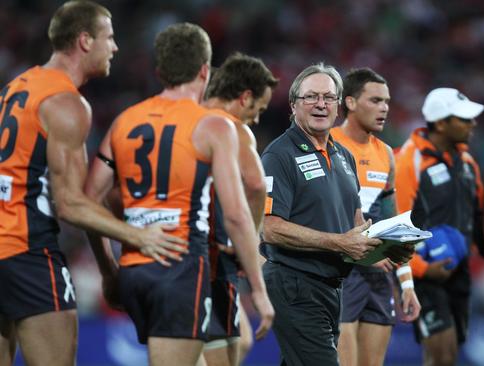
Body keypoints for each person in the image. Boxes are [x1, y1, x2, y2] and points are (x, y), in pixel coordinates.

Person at [0, 2, 186, 365]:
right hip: (27, 250)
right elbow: (70, 204)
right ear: (85, 40)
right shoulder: (66, 103)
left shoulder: (14, 88)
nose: (115, 47)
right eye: (109, 37)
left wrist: (107, 269)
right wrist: (139, 236)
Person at [83, 23, 273, 366]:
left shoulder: (125, 120)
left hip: (133, 271)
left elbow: (89, 200)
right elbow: (237, 212)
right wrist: (258, 288)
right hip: (181, 267)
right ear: (205, 70)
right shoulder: (214, 126)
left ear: (159, 71)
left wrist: (109, 268)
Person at [261, 63, 412, 365]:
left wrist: (385, 248)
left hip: (333, 287)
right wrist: (339, 243)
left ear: (339, 106)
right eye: (311, 97)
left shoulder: (344, 157)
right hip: (294, 283)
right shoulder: (279, 155)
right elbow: (269, 228)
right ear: (293, 105)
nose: (321, 104)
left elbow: (354, 224)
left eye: (329, 97)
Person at [331, 67, 420, 366]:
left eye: (387, 101)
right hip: (340, 272)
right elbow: (319, 213)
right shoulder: (325, 144)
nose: (384, 108)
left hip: (378, 274)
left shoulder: (386, 154)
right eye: (375, 100)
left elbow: (396, 226)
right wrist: (362, 249)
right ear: (350, 102)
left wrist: (406, 284)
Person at [395, 87, 484, 366]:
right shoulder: (409, 159)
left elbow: (479, 218)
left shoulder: (468, 163)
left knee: (449, 355)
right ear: (441, 123)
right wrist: (421, 269)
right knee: (441, 355)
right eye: (464, 119)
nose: (472, 124)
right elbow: (396, 224)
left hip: (458, 272)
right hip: (424, 274)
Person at [201, 52, 278, 366]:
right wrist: (253, 242)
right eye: (258, 110)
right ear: (245, 97)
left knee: (242, 339)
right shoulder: (232, 129)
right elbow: (256, 186)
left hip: (170, 255)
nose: (256, 120)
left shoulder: (185, 119)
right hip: (211, 257)